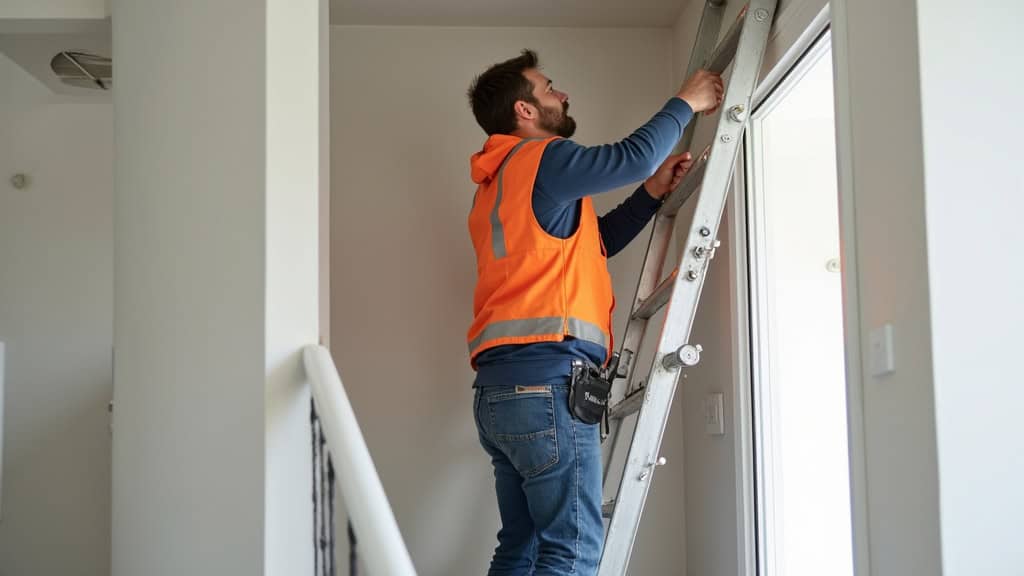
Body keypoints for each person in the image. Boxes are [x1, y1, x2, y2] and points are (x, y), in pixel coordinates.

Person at [466, 49, 723, 576]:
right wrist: (685, 103)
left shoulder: (498, 185)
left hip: (498, 398)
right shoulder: (543, 159)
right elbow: (630, 156)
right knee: (573, 553)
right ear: (526, 111)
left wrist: (650, 196)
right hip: (546, 391)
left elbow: (591, 243)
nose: (561, 94)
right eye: (549, 87)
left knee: (521, 547)